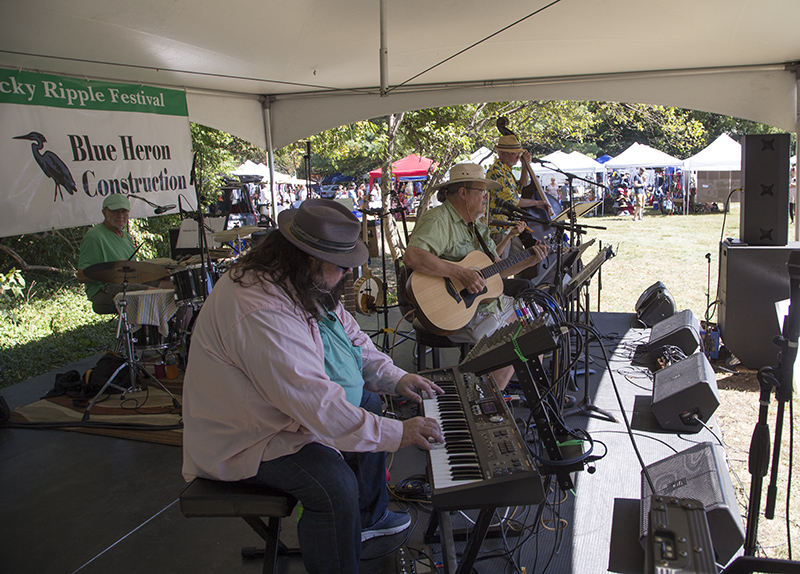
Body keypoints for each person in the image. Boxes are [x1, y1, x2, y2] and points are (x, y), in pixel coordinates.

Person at [181, 199, 445, 574]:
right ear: (309, 258)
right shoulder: (260, 308)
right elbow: (315, 404)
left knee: (368, 402)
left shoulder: (301, 279)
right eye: (341, 267)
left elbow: (352, 338)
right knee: (333, 487)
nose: (348, 275)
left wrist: (395, 377)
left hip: (278, 414)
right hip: (247, 435)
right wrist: (398, 432)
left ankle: (367, 518)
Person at [403, 163, 549, 390]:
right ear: (463, 193)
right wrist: (460, 272)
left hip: (488, 306)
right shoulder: (439, 220)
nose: (486, 197)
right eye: (482, 191)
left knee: (535, 320)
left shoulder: (478, 228)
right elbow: (412, 256)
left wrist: (531, 260)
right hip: (455, 310)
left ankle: (536, 393)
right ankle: (487, 402)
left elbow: (497, 269)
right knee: (515, 339)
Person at [76, 194, 170, 315]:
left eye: (124, 212)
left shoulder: (125, 236)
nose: (120, 216)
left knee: (172, 286)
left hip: (127, 282)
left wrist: (157, 274)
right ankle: (153, 331)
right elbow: (81, 276)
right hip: (103, 289)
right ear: (104, 213)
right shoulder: (94, 236)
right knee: (153, 295)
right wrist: (112, 271)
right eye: (115, 212)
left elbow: (133, 271)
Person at [486, 134, 554, 257]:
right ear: (502, 153)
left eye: (519, 153)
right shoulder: (497, 170)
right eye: (514, 153)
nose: (518, 156)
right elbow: (513, 201)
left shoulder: (507, 171)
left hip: (511, 228)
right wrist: (536, 203)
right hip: (500, 228)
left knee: (518, 263)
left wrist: (525, 165)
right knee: (500, 270)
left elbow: (523, 184)